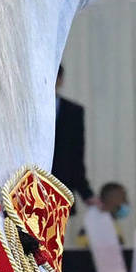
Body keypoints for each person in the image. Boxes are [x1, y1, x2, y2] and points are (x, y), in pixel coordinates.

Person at [52, 65, 97, 206]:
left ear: (60, 80)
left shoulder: (73, 111)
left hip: (60, 187)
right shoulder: (25, 108)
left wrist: (85, 192)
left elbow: (76, 154)